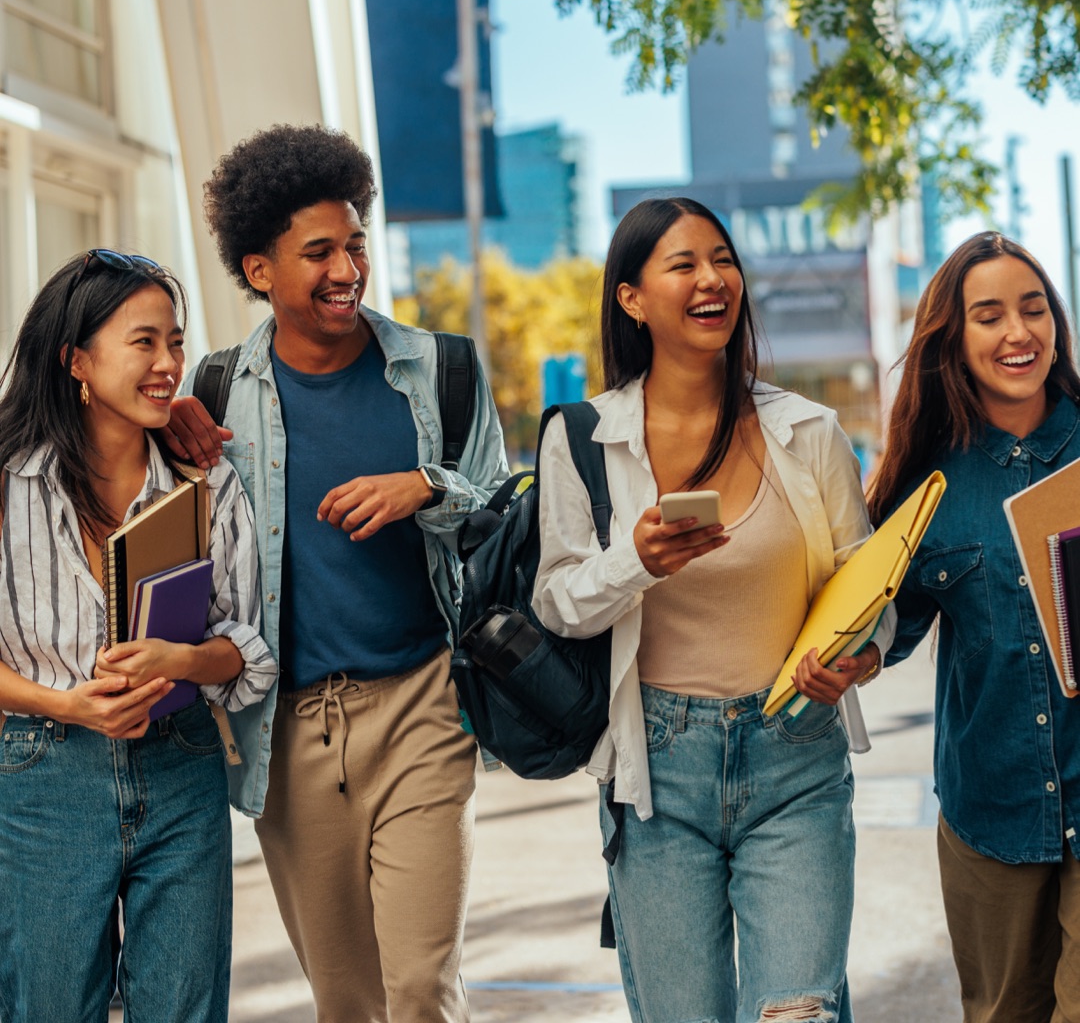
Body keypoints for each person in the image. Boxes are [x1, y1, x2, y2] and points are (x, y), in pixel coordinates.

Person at [163, 123, 508, 1023]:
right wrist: (166, 423)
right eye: (317, 251)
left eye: (354, 243)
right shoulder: (213, 393)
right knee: (346, 1000)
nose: (346, 267)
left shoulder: (442, 370)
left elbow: (508, 516)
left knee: (422, 989)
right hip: (290, 730)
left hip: (424, 705)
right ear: (260, 269)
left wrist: (426, 486)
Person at [531, 197, 891, 1023]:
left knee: (798, 1014)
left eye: (723, 259)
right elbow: (557, 605)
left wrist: (860, 656)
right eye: (684, 263)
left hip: (795, 755)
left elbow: (868, 593)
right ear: (631, 298)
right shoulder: (581, 438)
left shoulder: (810, 432)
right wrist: (637, 562)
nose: (712, 278)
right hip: (657, 772)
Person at [0, 250, 275, 1023]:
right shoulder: (6, 479)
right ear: (78, 361)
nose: (167, 365)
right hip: (41, 779)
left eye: (175, 343)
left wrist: (185, 659)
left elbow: (247, 645)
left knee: (186, 1010)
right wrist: (69, 706)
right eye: (143, 342)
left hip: (181, 766)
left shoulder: (207, 482)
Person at [867, 232, 1080, 1023]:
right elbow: (888, 624)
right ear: (953, 338)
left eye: (1033, 309)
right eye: (988, 316)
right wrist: (848, 660)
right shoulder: (926, 484)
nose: (1017, 332)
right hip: (990, 809)